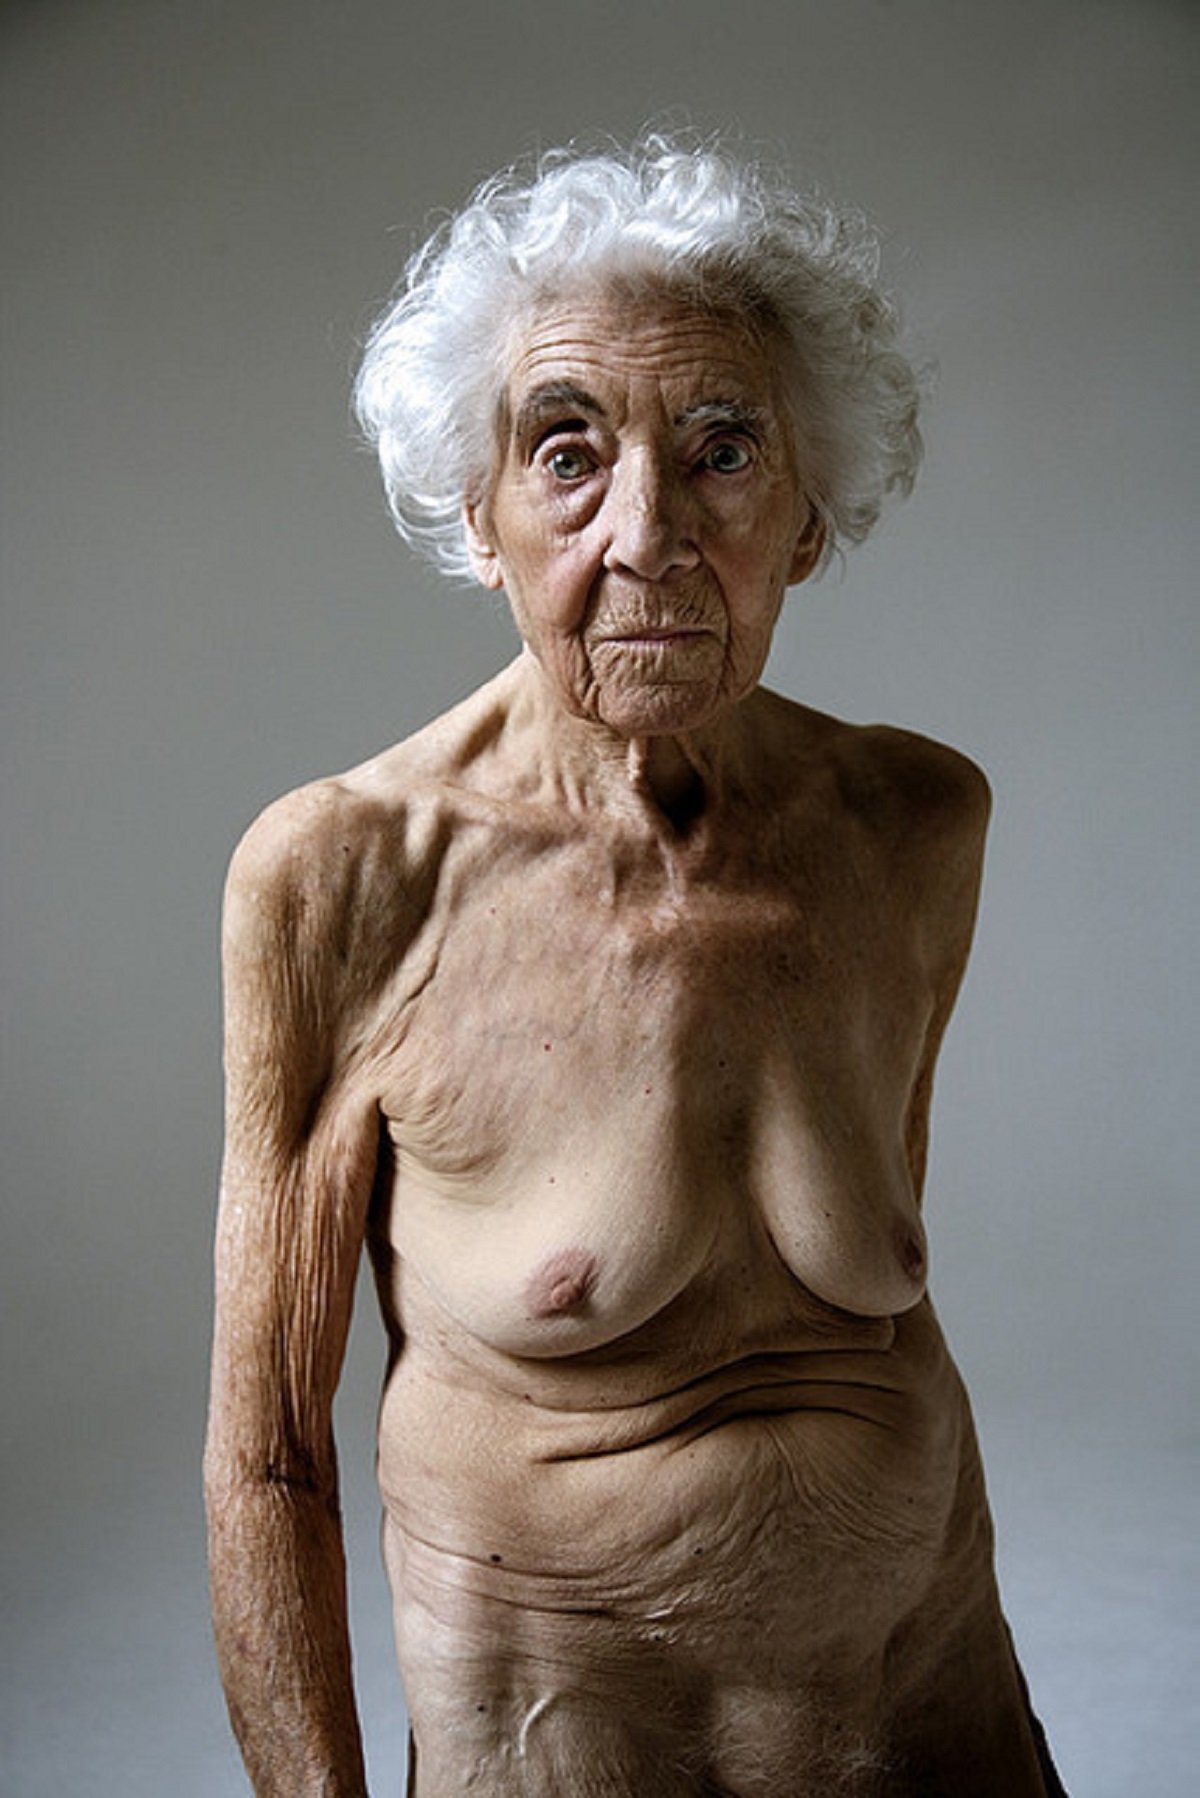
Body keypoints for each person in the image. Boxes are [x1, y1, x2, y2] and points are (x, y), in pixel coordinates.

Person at [204, 134, 1066, 1796]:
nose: (650, 533)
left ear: (807, 518)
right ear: (480, 516)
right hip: (565, 1738)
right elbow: (269, 1458)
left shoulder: (913, 823)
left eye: (725, 450)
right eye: (568, 454)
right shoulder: (346, 879)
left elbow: (877, 1308)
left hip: (936, 1706)